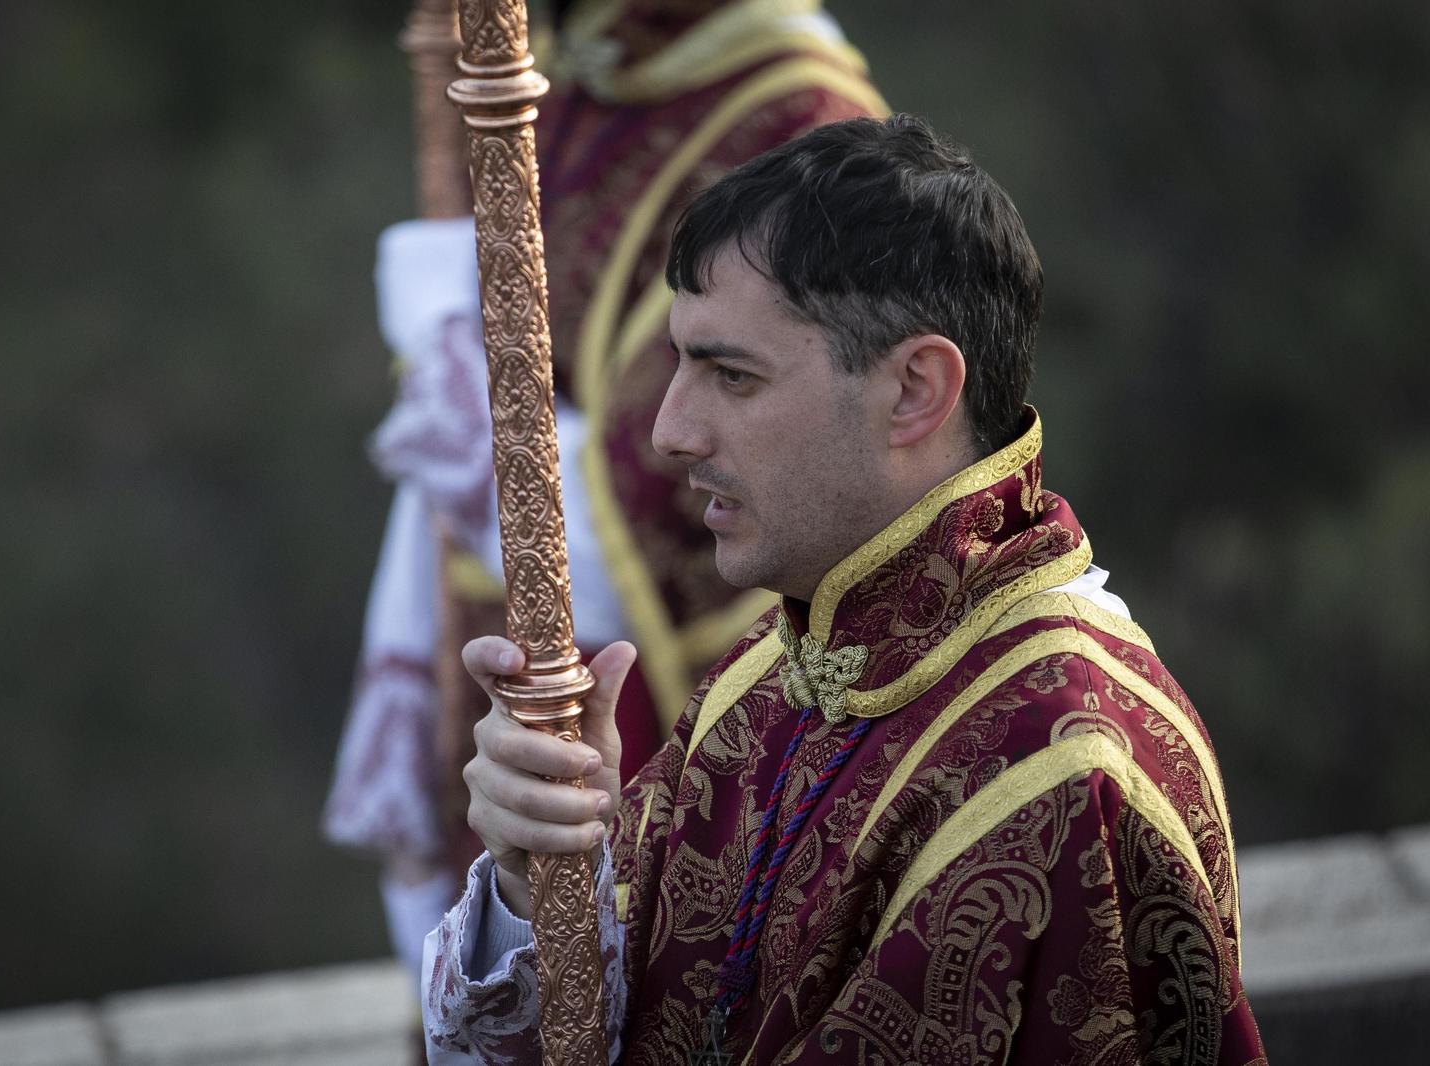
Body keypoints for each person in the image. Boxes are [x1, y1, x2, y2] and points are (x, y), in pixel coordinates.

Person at [423, 115, 1266, 1064]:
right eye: (678, 365)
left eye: (729, 375)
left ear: (913, 391)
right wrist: (542, 876)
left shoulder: (1067, 769)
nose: (669, 431)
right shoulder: (773, 674)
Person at [322, 0, 889, 995]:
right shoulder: (572, 80)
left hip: (643, 719)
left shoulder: (794, 118)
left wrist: (452, 357)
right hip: (510, 694)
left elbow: (681, 468)